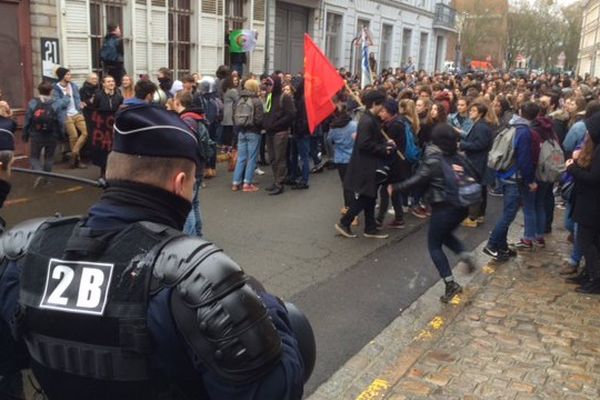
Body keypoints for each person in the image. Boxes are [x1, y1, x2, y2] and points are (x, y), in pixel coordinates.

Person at [0, 103, 308, 400]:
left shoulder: (22, 251)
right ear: (180, 183)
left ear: (112, 172)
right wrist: (266, 306)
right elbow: (274, 390)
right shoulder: (196, 278)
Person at [390, 124, 477, 303]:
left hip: (443, 208)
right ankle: (464, 254)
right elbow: (475, 175)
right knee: (444, 235)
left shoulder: (433, 160)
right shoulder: (459, 158)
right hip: (462, 206)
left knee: (434, 245)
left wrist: (396, 188)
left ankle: (450, 284)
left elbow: (416, 180)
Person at [483, 102, 540, 261]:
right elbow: (524, 160)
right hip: (514, 178)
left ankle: (502, 247)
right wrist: (530, 181)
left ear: (520, 112)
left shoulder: (511, 126)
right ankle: (492, 244)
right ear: (536, 116)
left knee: (507, 211)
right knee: (509, 214)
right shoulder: (525, 132)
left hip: (504, 173)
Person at [334, 89, 394, 240]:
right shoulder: (367, 121)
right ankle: (344, 222)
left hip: (368, 164)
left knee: (370, 196)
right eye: (382, 105)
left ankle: (370, 228)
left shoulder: (370, 119)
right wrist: (383, 148)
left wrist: (385, 142)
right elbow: (364, 144)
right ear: (375, 104)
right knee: (367, 197)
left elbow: (371, 140)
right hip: (366, 165)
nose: (383, 108)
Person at [565, 113, 600, 294]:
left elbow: (594, 178)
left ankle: (595, 278)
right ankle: (588, 274)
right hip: (588, 202)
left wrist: (572, 169)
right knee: (590, 240)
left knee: (587, 241)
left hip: (592, 204)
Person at [173, 90, 210, 237]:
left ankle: (190, 240)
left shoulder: (186, 121)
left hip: (191, 168)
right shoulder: (196, 118)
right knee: (194, 203)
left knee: (186, 205)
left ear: (178, 102)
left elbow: (185, 145)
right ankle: (198, 235)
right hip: (199, 166)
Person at [23, 81, 69, 187]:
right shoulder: (55, 103)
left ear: (38, 90)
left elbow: (27, 120)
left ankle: (39, 173)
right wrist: (62, 134)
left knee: (34, 157)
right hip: (52, 135)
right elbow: (60, 121)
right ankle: (46, 180)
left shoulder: (33, 103)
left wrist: (25, 134)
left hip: (36, 134)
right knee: (49, 158)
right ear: (51, 91)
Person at [377, 99, 411, 229]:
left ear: (390, 112)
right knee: (393, 191)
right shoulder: (396, 121)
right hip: (397, 163)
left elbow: (388, 145)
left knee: (385, 191)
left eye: (383, 111)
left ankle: (379, 220)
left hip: (393, 163)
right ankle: (399, 218)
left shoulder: (395, 125)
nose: (381, 113)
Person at [460, 102, 494, 228]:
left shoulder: (480, 127)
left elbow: (480, 144)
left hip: (477, 162)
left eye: (473, 110)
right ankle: (479, 215)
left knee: (475, 189)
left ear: (480, 113)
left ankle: (472, 217)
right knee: (480, 188)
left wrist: (463, 145)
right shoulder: (480, 125)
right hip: (478, 161)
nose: (470, 112)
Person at [262, 75, 296, 196]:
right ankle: (276, 180)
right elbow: (266, 112)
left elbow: (291, 115)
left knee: (279, 158)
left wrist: (276, 124)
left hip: (280, 132)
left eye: (270, 85)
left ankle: (279, 183)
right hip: (270, 132)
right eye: (266, 85)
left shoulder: (284, 97)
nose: (267, 87)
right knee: (272, 158)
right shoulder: (269, 97)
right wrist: (265, 124)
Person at [53, 66, 89, 168]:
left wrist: (80, 104)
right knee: (73, 136)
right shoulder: (55, 88)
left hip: (77, 113)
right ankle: (77, 161)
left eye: (70, 74)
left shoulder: (73, 85)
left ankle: (73, 153)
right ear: (62, 76)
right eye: (68, 74)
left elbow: (77, 99)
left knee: (86, 133)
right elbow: (57, 105)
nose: (70, 76)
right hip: (65, 115)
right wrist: (67, 96)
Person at [231, 79, 264, 192]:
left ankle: (235, 182)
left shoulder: (238, 99)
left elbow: (233, 116)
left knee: (241, 157)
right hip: (253, 132)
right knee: (251, 158)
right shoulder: (256, 101)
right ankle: (247, 183)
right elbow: (259, 119)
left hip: (241, 131)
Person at [328, 104, 357, 222]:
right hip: (354, 157)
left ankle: (350, 210)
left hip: (341, 158)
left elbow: (329, 140)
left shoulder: (333, 128)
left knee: (346, 185)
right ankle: (350, 208)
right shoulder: (354, 125)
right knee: (353, 185)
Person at [289, 78, 310, 190]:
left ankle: (304, 180)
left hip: (301, 132)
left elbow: (303, 119)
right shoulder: (298, 98)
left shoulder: (302, 100)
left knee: (303, 157)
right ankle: (294, 176)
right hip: (297, 131)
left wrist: (299, 130)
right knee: (295, 155)